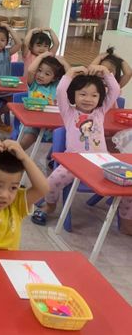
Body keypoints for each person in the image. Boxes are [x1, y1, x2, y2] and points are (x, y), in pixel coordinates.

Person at [31, 65, 126, 227]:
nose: (88, 99)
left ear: (100, 97)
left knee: (127, 182)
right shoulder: (69, 113)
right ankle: (50, 205)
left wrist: (105, 72)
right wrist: (69, 74)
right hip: (74, 162)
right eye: (82, 94)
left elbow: (115, 90)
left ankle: (126, 221)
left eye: (94, 95)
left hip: (101, 162)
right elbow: (60, 90)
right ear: (73, 95)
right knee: (51, 182)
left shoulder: (100, 112)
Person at [19, 53, 67, 150]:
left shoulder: (57, 86)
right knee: (28, 138)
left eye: (47, 74)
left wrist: (64, 63)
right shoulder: (34, 84)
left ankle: (51, 158)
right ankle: (14, 153)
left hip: (51, 124)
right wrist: (41, 56)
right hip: (33, 122)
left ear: (54, 78)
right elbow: (30, 70)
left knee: (65, 137)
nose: (41, 75)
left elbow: (71, 77)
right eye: (39, 70)